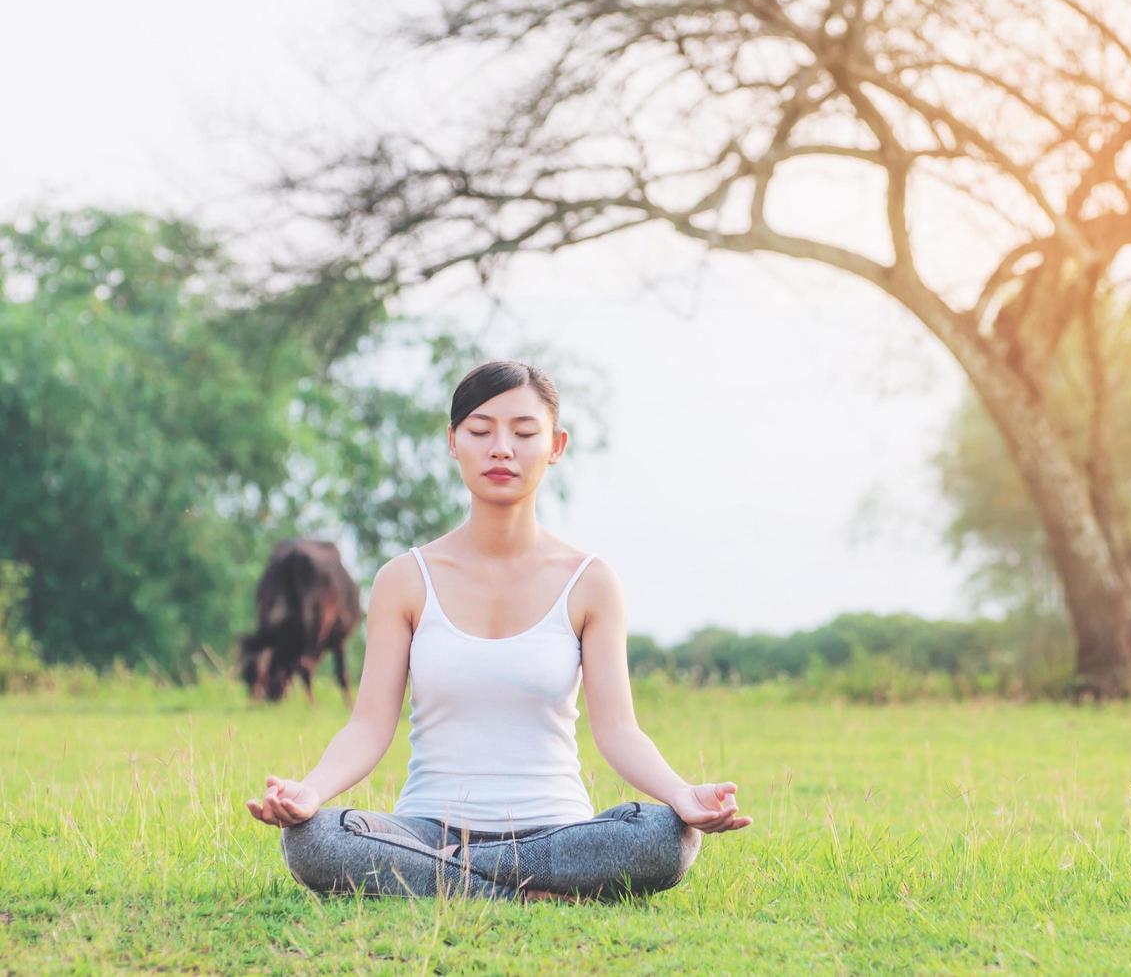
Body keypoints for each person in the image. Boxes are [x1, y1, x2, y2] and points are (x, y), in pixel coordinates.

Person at [245, 360, 753, 903]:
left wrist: (681, 794)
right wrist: (311, 790)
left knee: (667, 838)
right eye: (481, 431)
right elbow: (369, 726)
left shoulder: (591, 582)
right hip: (426, 830)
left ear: (556, 445)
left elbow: (619, 732)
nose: (502, 448)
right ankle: (525, 889)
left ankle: (452, 879)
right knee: (313, 841)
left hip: (556, 834)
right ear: (452, 442)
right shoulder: (404, 579)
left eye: (525, 432)